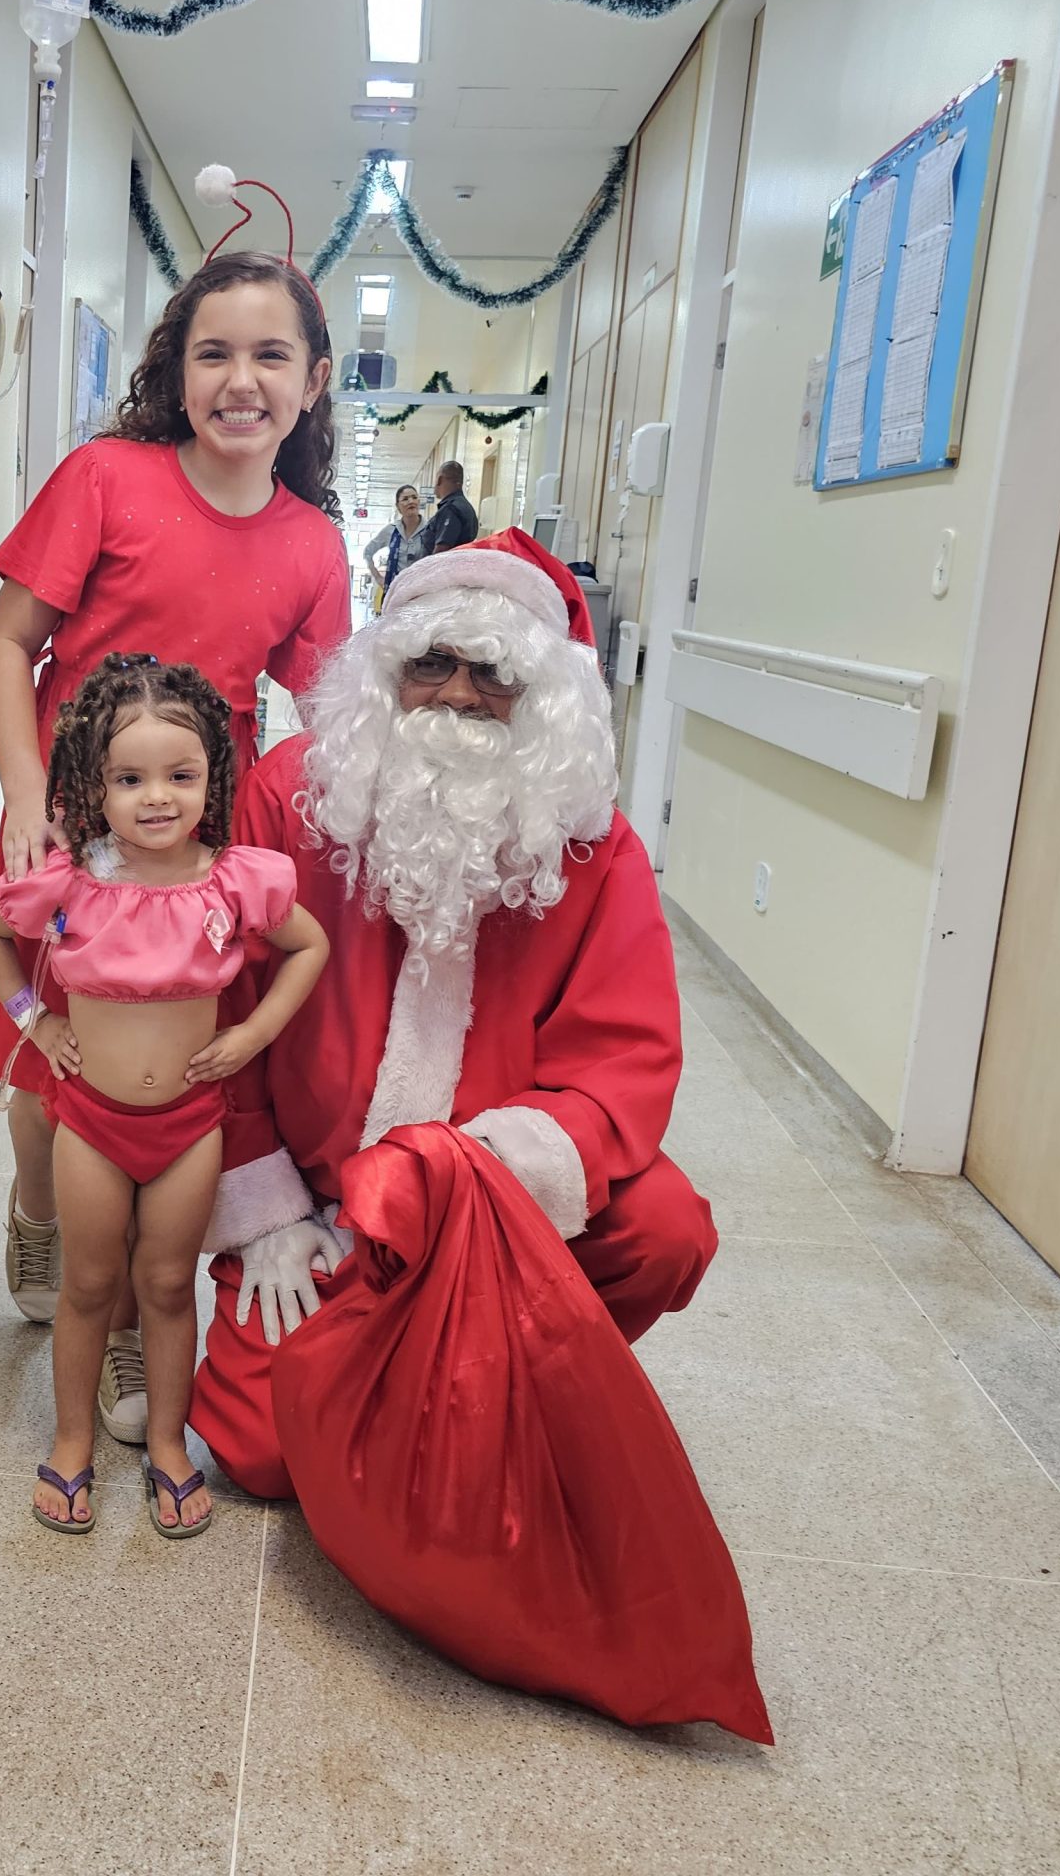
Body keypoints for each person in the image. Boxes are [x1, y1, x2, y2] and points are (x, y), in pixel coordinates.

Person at [187, 535, 718, 1497]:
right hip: (318, 1207)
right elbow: (223, 1009)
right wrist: (266, 1210)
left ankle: (514, 1372)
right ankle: (423, 1381)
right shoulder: (290, 797)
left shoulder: (592, 844)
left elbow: (622, 1064)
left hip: (501, 1210)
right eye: (430, 663)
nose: (459, 695)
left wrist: (458, 1185)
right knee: (258, 1451)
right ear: (385, 674)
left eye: (494, 672)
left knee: (663, 1226)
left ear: (541, 696)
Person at [0, 250, 353, 1420]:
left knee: (167, 1087)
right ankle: (40, 1212)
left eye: (270, 356)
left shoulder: (313, 545)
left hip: (196, 837)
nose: (241, 380)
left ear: (313, 381)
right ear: (176, 373)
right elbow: (4, 645)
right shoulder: (105, 479)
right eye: (213, 353)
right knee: (49, 1071)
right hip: (68, 820)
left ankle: (141, 1319)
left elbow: (330, 716)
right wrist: (26, 797)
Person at [0, 657, 329, 1537]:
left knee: (168, 1285)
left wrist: (253, 1035)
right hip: (90, 1127)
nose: (157, 797)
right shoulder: (72, 880)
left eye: (181, 775)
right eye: (129, 778)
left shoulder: (236, 879)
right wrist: (34, 1023)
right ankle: (70, 1442)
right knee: (90, 1284)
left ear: (214, 777)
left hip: (191, 1130)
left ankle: (168, 1443)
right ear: (94, 785)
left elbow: (310, 947)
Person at [361, 483, 425, 610]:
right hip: (395, 594)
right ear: (398, 506)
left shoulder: (430, 529)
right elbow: (368, 552)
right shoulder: (391, 531)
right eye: (405, 499)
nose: (411, 501)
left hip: (421, 595)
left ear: (419, 501)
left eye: (414, 497)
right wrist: (378, 578)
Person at [416, 458, 480, 559]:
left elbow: (441, 550)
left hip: (444, 567)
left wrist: (425, 567)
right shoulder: (467, 508)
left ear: (439, 479)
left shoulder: (451, 509)